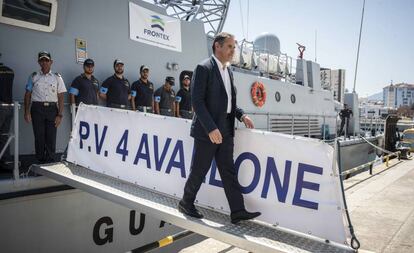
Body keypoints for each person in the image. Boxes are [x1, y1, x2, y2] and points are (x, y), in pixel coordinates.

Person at [178, 32, 261, 224]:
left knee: (228, 171)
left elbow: (229, 102)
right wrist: (210, 128)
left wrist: (241, 115)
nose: (233, 51)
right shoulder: (203, 67)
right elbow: (197, 102)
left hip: (225, 128)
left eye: (234, 47)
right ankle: (186, 202)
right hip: (208, 130)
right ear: (217, 46)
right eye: (230, 46)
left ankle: (238, 211)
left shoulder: (228, 70)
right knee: (199, 169)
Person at [24, 51, 67, 163]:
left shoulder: (57, 77)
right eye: (42, 60)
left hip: (52, 110)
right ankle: (40, 161)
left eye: (46, 60)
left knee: (51, 137)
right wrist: (27, 112)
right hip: (37, 109)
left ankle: (50, 162)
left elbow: (61, 96)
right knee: (39, 137)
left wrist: (60, 115)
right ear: (39, 62)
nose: (44, 62)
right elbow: (28, 94)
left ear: (51, 62)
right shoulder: (33, 76)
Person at [0, 59, 14, 163]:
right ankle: (5, 161)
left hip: (0, 106)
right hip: (9, 106)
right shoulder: (10, 71)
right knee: (4, 135)